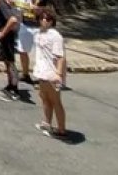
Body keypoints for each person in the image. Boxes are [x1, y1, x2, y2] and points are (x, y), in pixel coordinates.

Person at [32, 8, 68, 139]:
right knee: (44, 97)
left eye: (47, 19)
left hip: (52, 73)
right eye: (42, 18)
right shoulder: (38, 33)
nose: (44, 21)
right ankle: (47, 123)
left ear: (52, 21)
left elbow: (60, 57)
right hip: (41, 71)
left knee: (55, 101)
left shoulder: (55, 36)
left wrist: (58, 74)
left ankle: (61, 129)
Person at [12, 0, 51, 83]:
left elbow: (45, 10)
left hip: (38, 27)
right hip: (25, 25)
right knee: (23, 51)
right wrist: (13, 2)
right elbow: (16, 6)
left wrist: (38, 9)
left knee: (41, 53)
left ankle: (41, 77)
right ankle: (25, 74)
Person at [0, 0, 23, 101]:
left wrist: (3, 33)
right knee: (7, 62)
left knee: (10, 62)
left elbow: (13, 19)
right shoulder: (5, 0)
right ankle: (10, 85)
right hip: (5, 36)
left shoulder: (1, 2)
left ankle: (14, 90)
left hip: (6, 37)